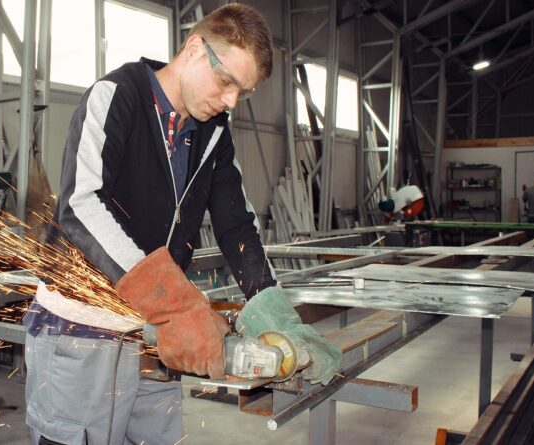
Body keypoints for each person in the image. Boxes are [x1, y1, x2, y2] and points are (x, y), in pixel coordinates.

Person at [22, 4, 342, 444]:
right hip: (84, 327)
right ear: (194, 48)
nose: (230, 100)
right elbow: (82, 204)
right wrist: (174, 305)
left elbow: (237, 226)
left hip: (155, 333)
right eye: (227, 81)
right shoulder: (117, 95)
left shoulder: (213, 132)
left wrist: (275, 312)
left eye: (241, 92)